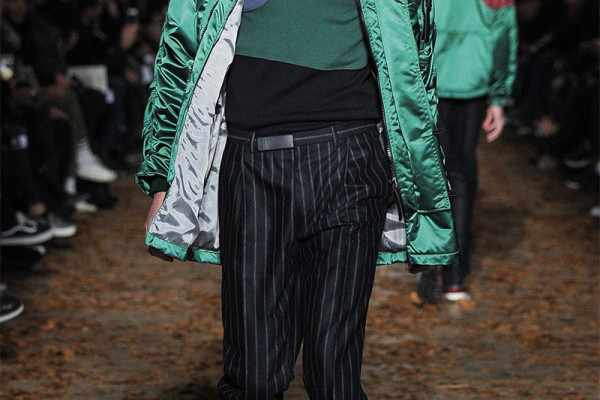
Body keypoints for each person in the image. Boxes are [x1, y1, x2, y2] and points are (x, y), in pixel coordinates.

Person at [138, 0, 458, 398]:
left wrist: (422, 204)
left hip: (350, 158)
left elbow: (416, 57)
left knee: (334, 373)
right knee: (255, 374)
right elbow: (181, 45)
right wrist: (162, 177)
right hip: (255, 163)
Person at [417, 0, 518, 304]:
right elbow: (503, 36)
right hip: (472, 80)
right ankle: (454, 278)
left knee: (429, 172)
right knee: (459, 174)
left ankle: (427, 256)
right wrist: (498, 96)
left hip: (430, 80)